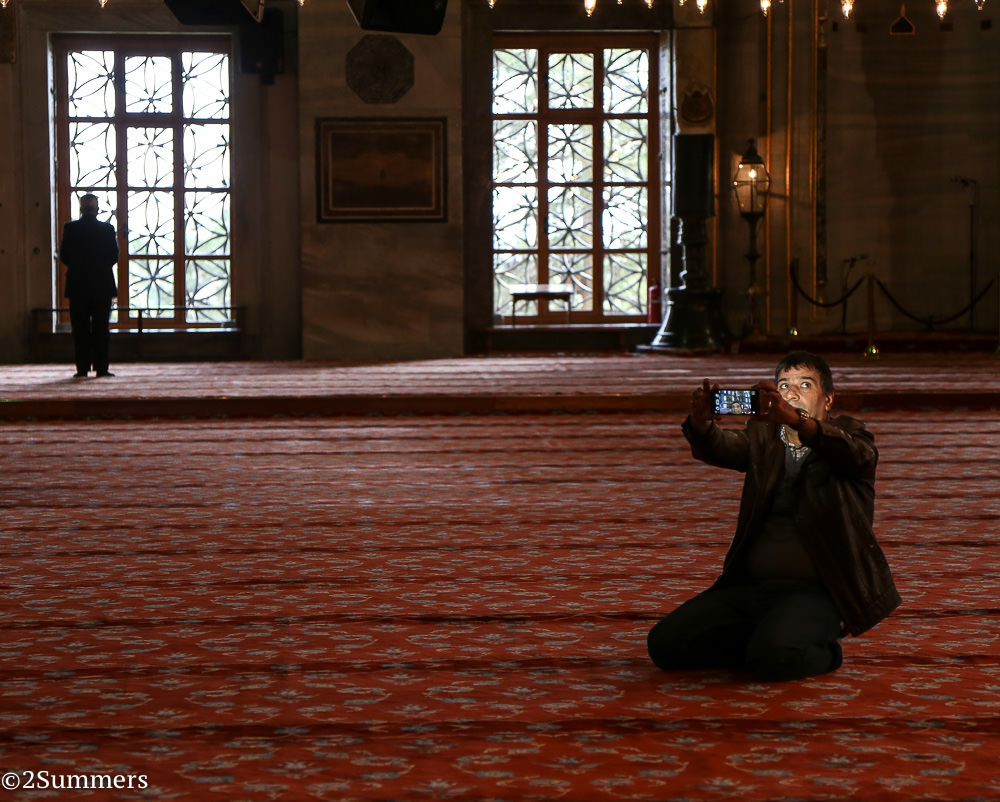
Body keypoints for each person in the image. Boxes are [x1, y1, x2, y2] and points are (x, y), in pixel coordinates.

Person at [647, 351, 900, 682]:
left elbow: (857, 455)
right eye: (784, 386)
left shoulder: (850, 434)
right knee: (665, 646)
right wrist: (701, 421)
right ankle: (768, 641)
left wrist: (798, 422)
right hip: (749, 587)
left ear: (828, 400)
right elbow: (720, 447)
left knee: (776, 659)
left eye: (804, 385)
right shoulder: (765, 437)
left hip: (817, 591)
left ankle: (823, 650)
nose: (792, 393)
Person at [59, 193, 119, 378]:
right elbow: (113, 257)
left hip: (77, 286)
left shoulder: (70, 228)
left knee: (80, 329)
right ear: (97, 209)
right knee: (101, 328)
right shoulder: (107, 229)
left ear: (80, 208)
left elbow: (64, 257)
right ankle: (102, 368)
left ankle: (82, 369)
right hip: (102, 285)